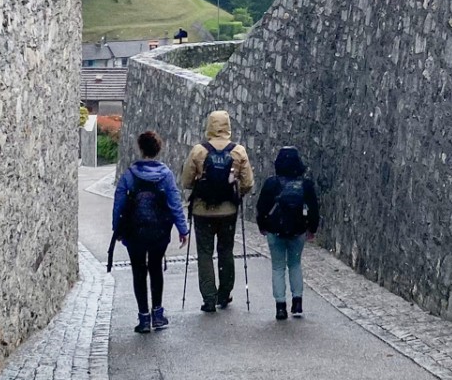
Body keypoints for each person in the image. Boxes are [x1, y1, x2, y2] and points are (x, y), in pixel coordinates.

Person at [110, 130, 189, 333]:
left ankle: (143, 318)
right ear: (158, 149)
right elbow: (174, 203)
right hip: (159, 231)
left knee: (138, 272)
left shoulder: (129, 175)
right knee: (155, 269)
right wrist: (183, 229)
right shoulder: (166, 175)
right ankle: (158, 314)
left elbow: (119, 203)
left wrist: (117, 229)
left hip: (134, 231)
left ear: (141, 148)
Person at [179, 109, 253, 312]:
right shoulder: (238, 151)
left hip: (202, 211)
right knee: (226, 251)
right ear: (228, 126)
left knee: (204, 253)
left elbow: (186, 182)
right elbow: (248, 183)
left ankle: (209, 298)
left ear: (209, 125)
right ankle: (224, 293)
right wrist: (236, 194)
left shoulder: (198, 151)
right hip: (228, 211)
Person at [256, 145, 320, 320]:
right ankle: (297, 301)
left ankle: (280, 306)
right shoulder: (305, 185)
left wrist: (262, 225)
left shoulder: (271, 183)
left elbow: (261, 207)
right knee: (295, 264)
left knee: (278, 267)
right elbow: (314, 208)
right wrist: (312, 229)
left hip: (275, 230)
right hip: (298, 231)